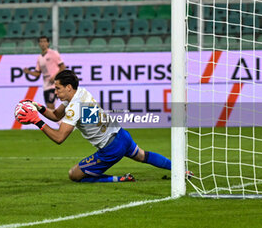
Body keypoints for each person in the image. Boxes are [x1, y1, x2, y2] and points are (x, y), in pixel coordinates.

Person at [17, 70, 193, 183]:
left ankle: (119, 179)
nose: (55, 92)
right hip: (121, 135)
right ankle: (182, 170)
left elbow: (59, 138)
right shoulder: (80, 92)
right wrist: (38, 108)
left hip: (110, 148)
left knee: (75, 175)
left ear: (68, 87)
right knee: (142, 155)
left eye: (57, 88)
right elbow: (56, 116)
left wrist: (36, 121)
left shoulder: (74, 108)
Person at [23, 36, 66, 110]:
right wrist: (28, 72)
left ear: (48, 43)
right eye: (41, 41)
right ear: (39, 44)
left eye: (44, 41)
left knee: (51, 105)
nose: (43, 43)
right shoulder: (39, 58)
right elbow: (37, 74)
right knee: (49, 107)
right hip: (46, 85)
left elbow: (62, 67)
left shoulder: (53, 53)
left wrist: (55, 76)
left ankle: (64, 120)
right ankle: (61, 120)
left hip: (54, 84)